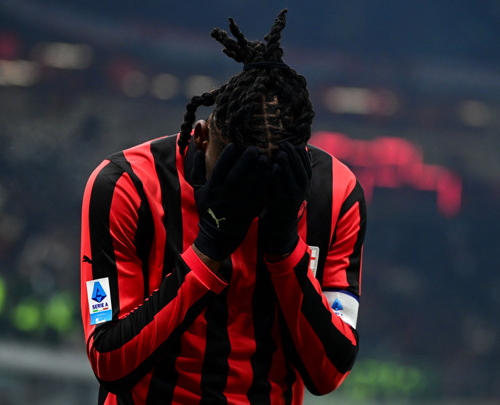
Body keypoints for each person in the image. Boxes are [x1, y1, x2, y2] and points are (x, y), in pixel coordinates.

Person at [80, 9, 367, 404]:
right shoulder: (125, 187)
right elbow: (109, 360)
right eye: (236, 171)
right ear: (201, 137)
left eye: (267, 175)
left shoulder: (336, 194)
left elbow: (328, 373)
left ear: (300, 155)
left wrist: (285, 249)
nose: (251, 193)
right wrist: (210, 246)